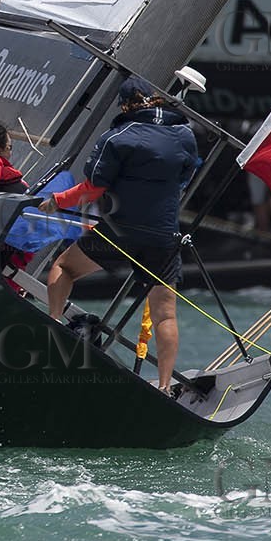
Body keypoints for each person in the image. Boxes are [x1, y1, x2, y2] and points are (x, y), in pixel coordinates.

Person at [38, 75, 199, 393]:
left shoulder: (117, 137)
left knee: (64, 267)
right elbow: (185, 176)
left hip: (119, 232)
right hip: (163, 236)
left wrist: (57, 201)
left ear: (125, 105)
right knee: (166, 315)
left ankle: (54, 325)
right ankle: (165, 387)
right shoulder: (184, 134)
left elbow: (94, 188)